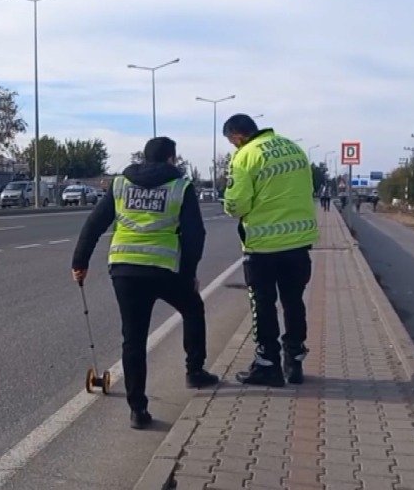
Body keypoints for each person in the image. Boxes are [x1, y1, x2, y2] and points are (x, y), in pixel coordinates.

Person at [72, 137, 219, 430]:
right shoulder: (181, 186)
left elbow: (94, 225)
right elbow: (195, 235)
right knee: (192, 309)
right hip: (165, 270)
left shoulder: (120, 184)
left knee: (134, 338)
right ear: (171, 159)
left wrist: (80, 263)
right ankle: (194, 371)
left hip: (125, 271)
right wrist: (189, 273)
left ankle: (138, 410)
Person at [223, 114, 319, 386]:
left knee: (263, 304)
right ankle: (295, 359)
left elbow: (237, 204)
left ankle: (268, 365)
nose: (233, 147)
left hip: (263, 246)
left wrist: (229, 205)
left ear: (237, 136)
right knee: (293, 301)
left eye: (232, 142)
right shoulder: (293, 148)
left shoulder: (245, 155)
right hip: (299, 242)